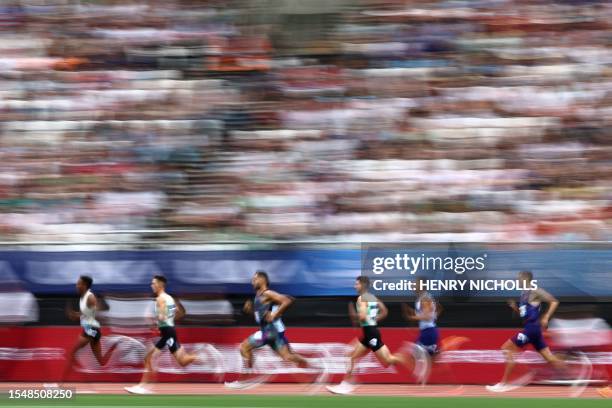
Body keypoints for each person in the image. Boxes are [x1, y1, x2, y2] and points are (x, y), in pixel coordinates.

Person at [225, 270, 310, 388]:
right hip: (273, 333)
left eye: (255, 279)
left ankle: (243, 381)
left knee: (244, 347)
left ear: (262, 279)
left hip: (268, 332)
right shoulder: (259, 296)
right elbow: (261, 316)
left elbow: (288, 300)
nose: (252, 282)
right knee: (287, 356)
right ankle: (311, 364)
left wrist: (275, 314)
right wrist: (248, 311)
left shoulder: (267, 293)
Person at [326, 276, 406, 395]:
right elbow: (384, 311)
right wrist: (373, 319)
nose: (355, 286)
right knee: (351, 356)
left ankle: (410, 359)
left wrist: (355, 316)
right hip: (370, 332)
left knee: (387, 361)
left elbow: (363, 316)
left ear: (363, 285)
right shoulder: (372, 297)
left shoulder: (361, 298)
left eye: (357, 284)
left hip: (370, 334)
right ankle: (346, 384)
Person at [487, 270, 564, 392]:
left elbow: (554, 301)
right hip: (533, 330)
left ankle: (504, 383)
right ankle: (573, 371)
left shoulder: (535, 290)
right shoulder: (523, 294)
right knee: (550, 359)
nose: (517, 281)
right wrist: (515, 308)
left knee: (506, 348)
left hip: (531, 329)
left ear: (525, 279)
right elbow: (525, 315)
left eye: (518, 278)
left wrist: (546, 317)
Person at [125, 275, 200, 395]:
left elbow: (163, 316)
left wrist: (156, 321)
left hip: (167, 333)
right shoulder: (169, 298)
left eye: (153, 283)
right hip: (169, 331)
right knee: (182, 361)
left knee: (148, 357)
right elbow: (180, 313)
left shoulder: (160, 299)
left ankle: (143, 387)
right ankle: (200, 357)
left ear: (160, 285)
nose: (152, 285)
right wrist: (166, 322)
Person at [60, 275, 118, 383]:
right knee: (101, 362)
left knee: (73, 353)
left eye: (79, 283)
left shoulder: (90, 297)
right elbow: (87, 313)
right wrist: (76, 315)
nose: (77, 285)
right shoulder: (83, 297)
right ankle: (113, 347)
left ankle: (61, 384)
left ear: (84, 285)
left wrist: (78, 315)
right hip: (92, 330)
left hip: (90, 329)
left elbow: (95, 312)